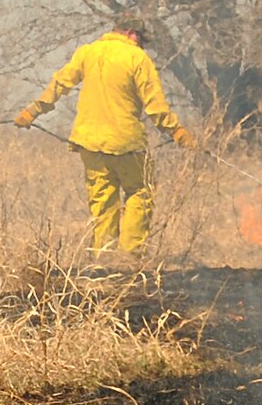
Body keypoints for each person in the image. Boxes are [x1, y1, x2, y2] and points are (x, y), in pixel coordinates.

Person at [15, 17, 195, 254]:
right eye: (141, 39)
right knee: (140, 192)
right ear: (132, 33)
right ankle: (131, 256)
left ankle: (103, 260)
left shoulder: (88, 52)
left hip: (89, 144)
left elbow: (60, 83)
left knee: (103, 202)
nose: (141, 44)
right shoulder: (137, 58)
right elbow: (155, 106)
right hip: (127, 143)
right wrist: (178, 132)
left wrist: (32, 111)